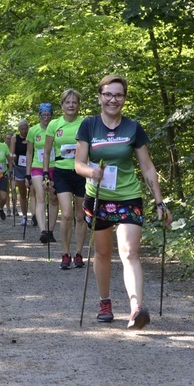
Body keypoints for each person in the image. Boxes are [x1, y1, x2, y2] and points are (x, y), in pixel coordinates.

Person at [75, 74, 173, 330]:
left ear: (124, 99)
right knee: (103, 253)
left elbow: (147, 167)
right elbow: (78, 163)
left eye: (118, 95)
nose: (112, 99)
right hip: (97, 198)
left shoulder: (133, 128)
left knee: (130, 252)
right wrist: (91, 172)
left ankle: (136, 308)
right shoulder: (88, 126)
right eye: (108, 94)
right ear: (99, 97)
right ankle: (105, 301)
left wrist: (160, 203)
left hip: (128, 197)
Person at [44, 89, 86, 270]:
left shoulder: (85, 123)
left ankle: (79, 253)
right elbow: (46, 152)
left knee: (81, 215)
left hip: (81, 172)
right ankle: (65, 253)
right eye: (67, 102)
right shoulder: (55, 124)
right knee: (67, 214)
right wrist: (46, 174)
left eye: (74, 102)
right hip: (61, 172)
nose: (71, 105)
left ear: (78, 105)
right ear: (62, 105)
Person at [26, 103, 59, 243]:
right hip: (37, 167)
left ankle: (51, 230)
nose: (46, 117)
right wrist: (28, 173)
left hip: (54, 166)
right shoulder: (33, 131)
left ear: (51, 115)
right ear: (40, 116)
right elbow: (29, 152)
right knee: (41, 197)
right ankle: (43, 231)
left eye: (48, 114)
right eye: (43, 115)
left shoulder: (56, 129)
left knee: (53, 198)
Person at [9, 119, 31, 225]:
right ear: (19, 129)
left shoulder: (32, 136)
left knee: (34, 191)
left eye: (26, 128)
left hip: (31, 167)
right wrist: (12, 157)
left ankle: (35, 215)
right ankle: (25, 216)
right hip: (19, 167)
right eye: (22, 129)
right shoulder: (15, 138)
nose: (24, 131)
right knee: (23, 193)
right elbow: (12, 152)